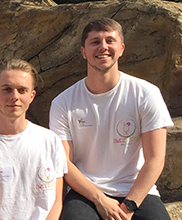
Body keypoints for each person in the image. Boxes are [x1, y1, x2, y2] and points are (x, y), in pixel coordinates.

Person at [48, 18, 173, 220]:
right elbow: (64, 163)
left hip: (136, 190)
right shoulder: (63, 102)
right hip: (85, 192)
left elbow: (155, 159)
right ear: (83, 51)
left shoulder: (146, 93)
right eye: (95, 42)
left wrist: (130, 205)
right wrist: (100, 199)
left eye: (110, 40)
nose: (103, 47)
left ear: (121, 48)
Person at [0, 59, 66, 220]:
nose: (15, 96)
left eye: (22, 90)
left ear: (32, 96)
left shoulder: (51, 141)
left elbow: (56, 203)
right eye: (7, 89)